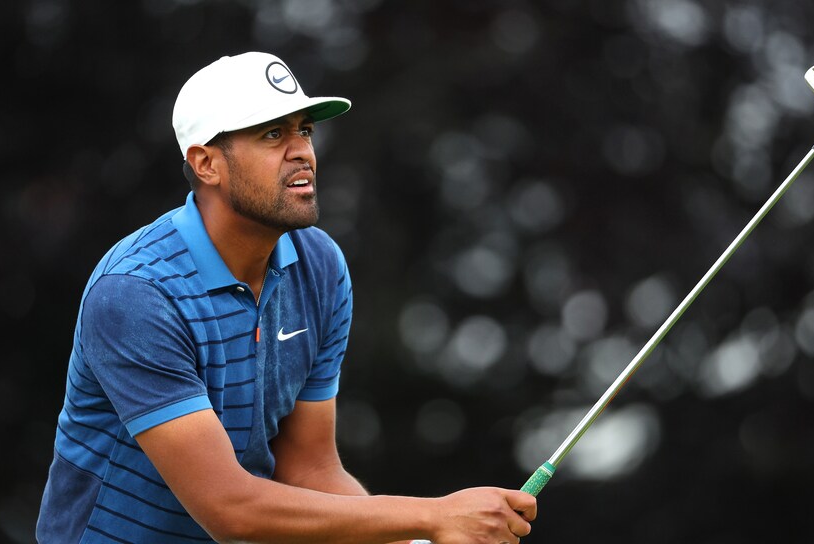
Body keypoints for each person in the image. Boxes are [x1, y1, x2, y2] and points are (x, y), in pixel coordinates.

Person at [36, 51, 536, 544]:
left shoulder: (318, 265)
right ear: (206, 163)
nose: (302, 151)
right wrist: (433, 517)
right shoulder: (135, 295)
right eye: (272, 134)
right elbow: (229, 508)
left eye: (305, 130)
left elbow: (309, 468)